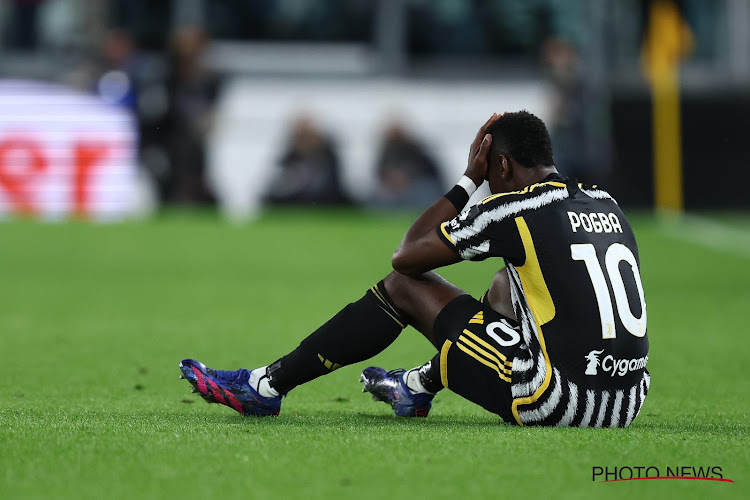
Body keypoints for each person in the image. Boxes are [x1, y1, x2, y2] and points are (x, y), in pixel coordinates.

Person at [179, 111, 649, 427]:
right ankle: (414, 386)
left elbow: (407, 255)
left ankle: (267, 385)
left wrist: (469, 179)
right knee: (506, 284)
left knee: (404, 287)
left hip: (561, 401)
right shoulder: (604, 202)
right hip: (627, 400)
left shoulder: (512, 209)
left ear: (499, 165)